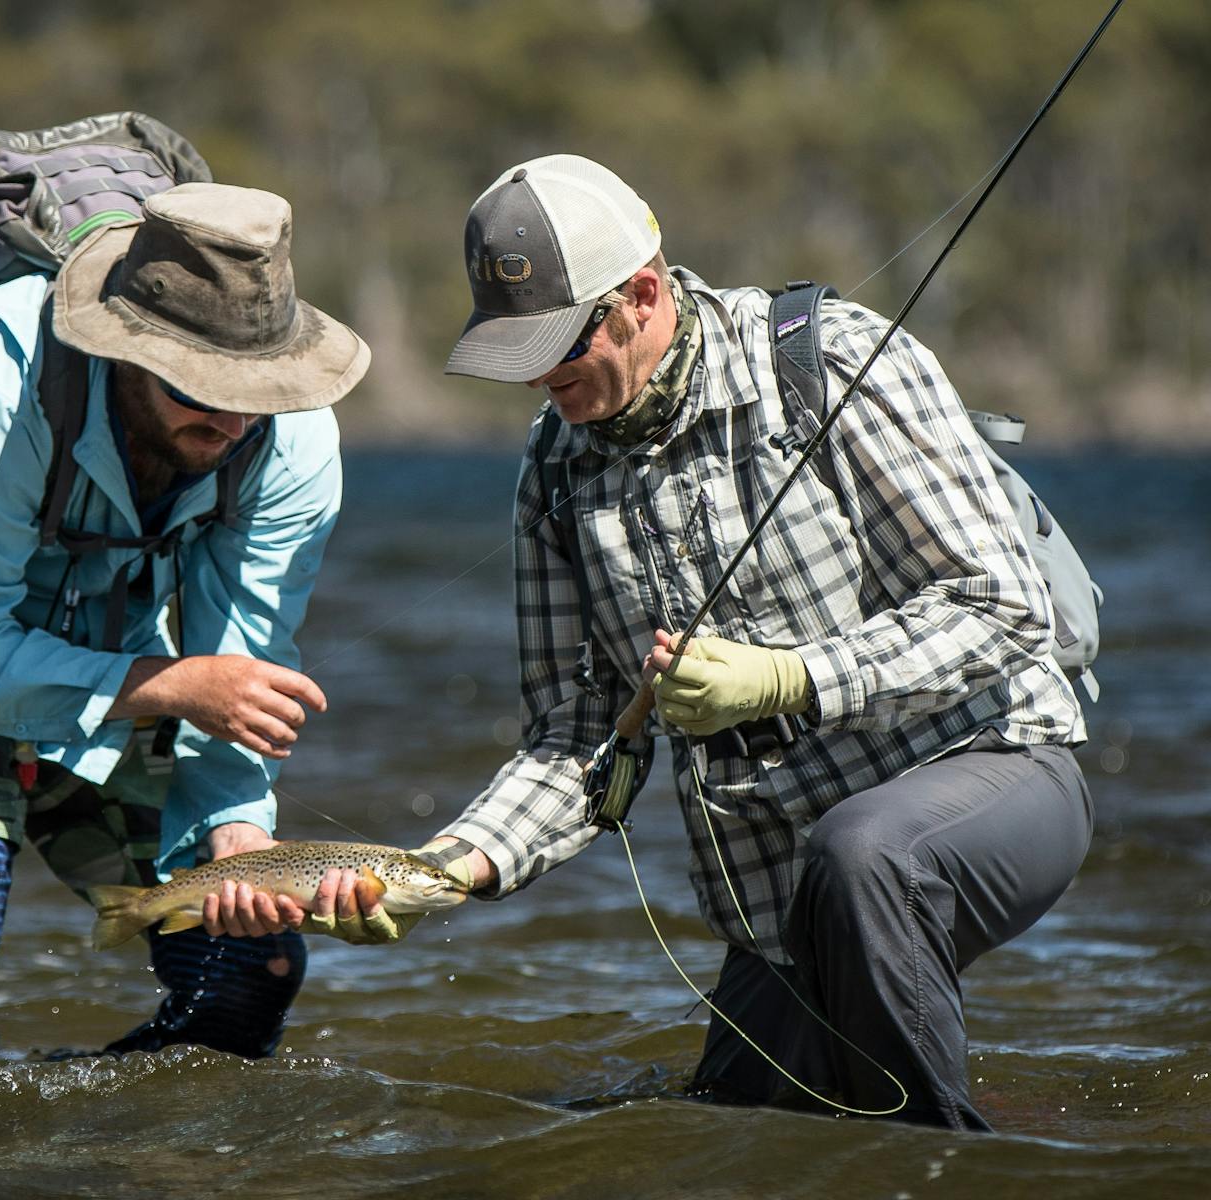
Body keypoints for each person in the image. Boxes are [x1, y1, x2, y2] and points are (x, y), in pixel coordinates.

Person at [417, 154, 1092, 1131]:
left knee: (865, 859)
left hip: (997, 771)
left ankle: (948, 1172)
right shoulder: (552, 470)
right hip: (780, 904)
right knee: (725, 1134)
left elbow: (1001, 607)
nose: (535, 373)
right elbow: (577, 739)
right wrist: (452, 867)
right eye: (514, 348)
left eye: (556, 341)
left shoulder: (837, 362)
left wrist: (793, 678)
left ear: (640, 295)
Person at [0, 182, 377, 1060]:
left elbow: (242, 672)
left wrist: (237, 844)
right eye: (202, 387)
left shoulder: (293, 445)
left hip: (109, 637)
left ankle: (108, 1149)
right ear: (126, 353)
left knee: (251, 970)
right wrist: (175, 685)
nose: (232, 421)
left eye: (253, 391)